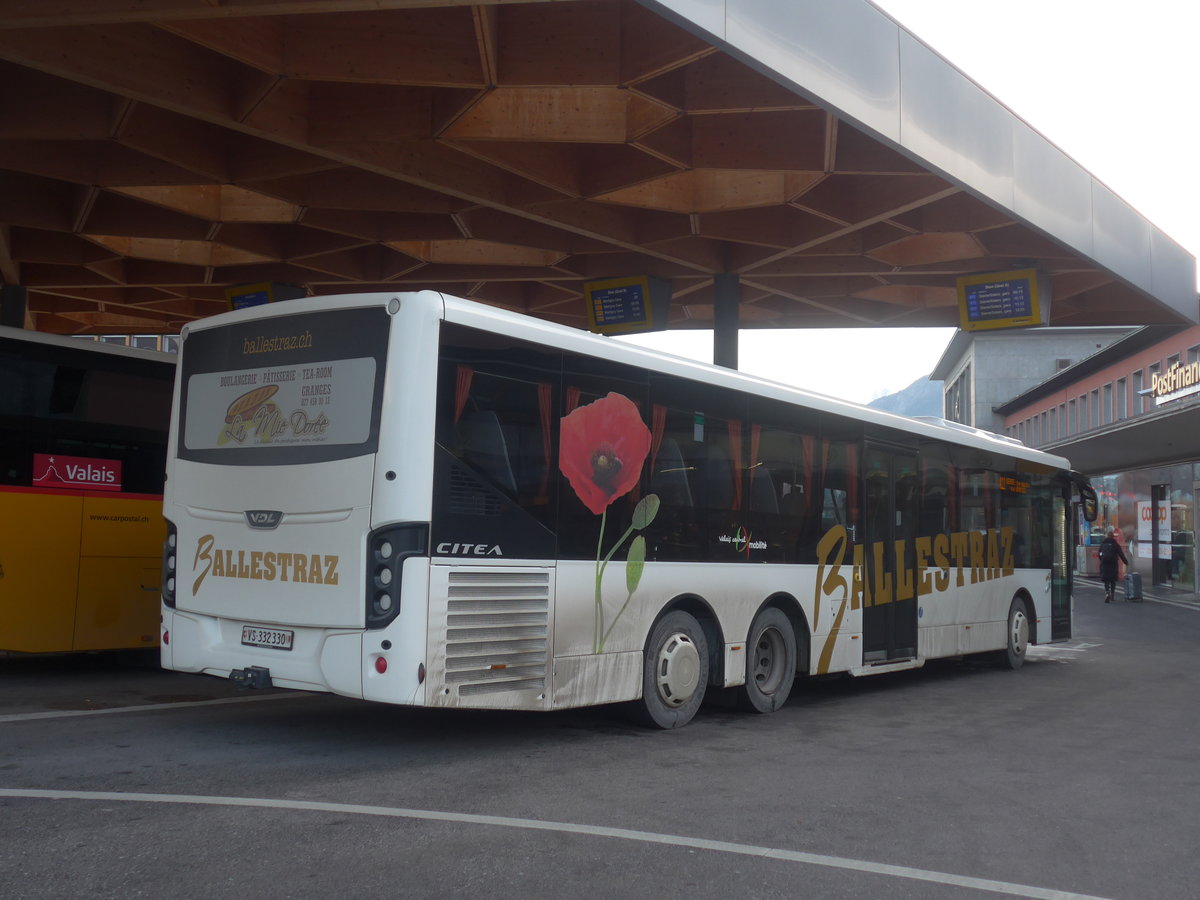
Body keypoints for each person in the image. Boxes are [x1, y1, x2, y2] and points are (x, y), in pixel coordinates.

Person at [1097, 527, 1128, 603]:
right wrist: (1126, 562)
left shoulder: (1103, 544)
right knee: (1112, 580)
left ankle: (1107, 593)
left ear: (1107, 536)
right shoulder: (1115, 544)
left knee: (1106, 579)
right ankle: (1113, 595)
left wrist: (1102, 559)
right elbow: (1121, 554)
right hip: (1113, 563)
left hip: (1105, 563)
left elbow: (1099, 553)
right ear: (1113, 537)